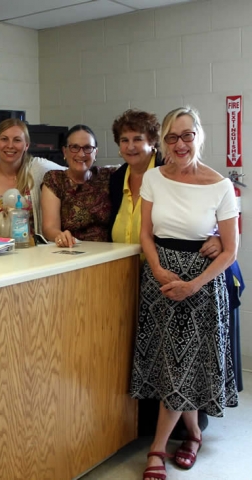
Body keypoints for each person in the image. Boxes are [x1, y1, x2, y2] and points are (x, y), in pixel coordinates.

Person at [129, 107, 238, 480]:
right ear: (163, 140)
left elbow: (230, 250)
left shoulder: (221, 185)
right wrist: (158, 270)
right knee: (174, 365)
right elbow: (146, 233)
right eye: (172, 137)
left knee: (181, 366)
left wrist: (193, 284)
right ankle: (192, 436)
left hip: (201, 288)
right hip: (159, 281)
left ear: (199, 136)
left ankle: (157, 448)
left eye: (187, 135)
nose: (179, 144)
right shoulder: (154, 179)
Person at [110, 108, 221, 439]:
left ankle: (168, 441)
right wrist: (157, 270)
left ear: (153, 144)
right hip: (142, 277)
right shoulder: (119, 178)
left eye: (139, 139)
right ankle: (184, 433)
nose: (131, 146)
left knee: (181, 360)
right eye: (124, 140)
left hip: (189, 277)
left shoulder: (196, 178)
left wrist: (213, 236)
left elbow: (210, 226)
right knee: (164, 361)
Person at [0, 118, 64, 238]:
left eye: (17, 140)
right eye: (4, 139)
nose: (10, 145)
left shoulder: (38, 168)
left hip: (33, 251)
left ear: (26, 145)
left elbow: (70, 172)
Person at [41, 124, 115, 247]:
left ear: (95, 152)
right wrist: (60, 236)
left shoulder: (107, 176)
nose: (81, 154)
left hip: (108, 252)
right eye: (74, 147)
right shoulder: (55, 179)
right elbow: (49, 228)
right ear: (65, 151)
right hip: (71, 250)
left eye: (87, 148)